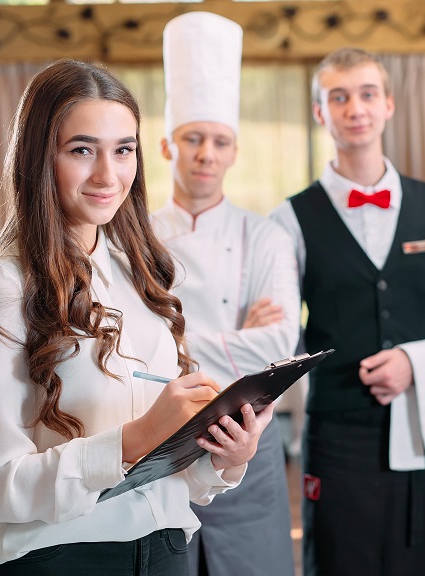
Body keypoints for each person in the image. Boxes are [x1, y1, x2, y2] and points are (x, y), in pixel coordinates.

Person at [0, 59, 273, 575]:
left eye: (123, 150)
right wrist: (135, 438)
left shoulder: (142, 276)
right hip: (56, 559)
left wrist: (224, 457)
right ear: (40, 157)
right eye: (82, 150)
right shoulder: (1, 288)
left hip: (164, 547)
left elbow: (171, 473)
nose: (109, 175)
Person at [270, 47, 425, 576]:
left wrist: (416, 361)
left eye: (366, 93)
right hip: (336, 430)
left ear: (388, 105)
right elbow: (282, 332)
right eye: (339, 97)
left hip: (421, 417)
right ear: (320, 113)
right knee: (341, 557)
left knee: (421, 556)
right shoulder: (289, 218)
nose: (355, 107)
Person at [150, 13, 298, 576]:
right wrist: (241, 337)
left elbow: (281, 343)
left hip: (249, 442)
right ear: (167, 145)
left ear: (234, 151)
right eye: (193, 138)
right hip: (160, 446)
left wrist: (175, 341)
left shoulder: (266, 236)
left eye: (219, 141)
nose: (205, 153)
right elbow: (121, 344)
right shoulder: (132, 236)